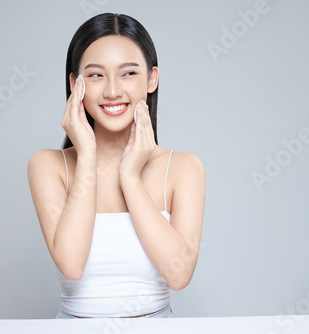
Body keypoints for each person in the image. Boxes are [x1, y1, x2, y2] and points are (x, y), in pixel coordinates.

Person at [27, 13, 206, 319]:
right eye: (96, 75)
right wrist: (86, 154)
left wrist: (130, 178)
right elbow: (71, 265)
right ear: (74, 84)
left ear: (152, 79)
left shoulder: (184, 168)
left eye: (128, 73)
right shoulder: (48, 166)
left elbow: (179, 275)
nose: (112, 91)